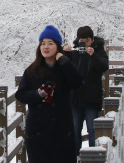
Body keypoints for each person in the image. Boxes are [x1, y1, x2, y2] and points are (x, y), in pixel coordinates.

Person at [15, 25, 84, 163]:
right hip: (37, 131)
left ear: (57, 47)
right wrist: (38, 94)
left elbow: (77, 83)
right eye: (43, 43)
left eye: (50, 43)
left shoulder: (64, 68)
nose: (45, 46)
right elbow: (20, 95)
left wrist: (65, 61)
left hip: (62, 130)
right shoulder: (32, 70)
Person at [63, 26, 109, 153]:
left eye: (87, 40)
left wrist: (93, 55)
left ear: (92, 39)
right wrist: (66, 52)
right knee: (75, 128)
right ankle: (75, 157)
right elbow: (63, 68)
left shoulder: (99, 52)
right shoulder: (75, 52)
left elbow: (104, 66)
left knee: (92, 129)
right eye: (81, 40)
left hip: (92, 98)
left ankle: (93, 157)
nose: (84, 43)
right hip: (76, 98)